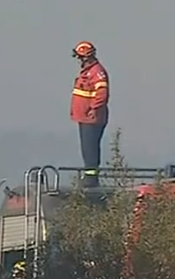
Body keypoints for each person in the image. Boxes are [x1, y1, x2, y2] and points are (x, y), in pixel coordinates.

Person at [70, 40, 110, 188]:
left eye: (80, 57)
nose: (79, 60)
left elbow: (102, 93)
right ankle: (89, 175)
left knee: (90, 148)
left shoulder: (96, 73)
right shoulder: (87, 73)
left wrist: (94, 108)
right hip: (84, 117)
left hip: (92, 118)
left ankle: (91, 179)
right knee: (87, 148)